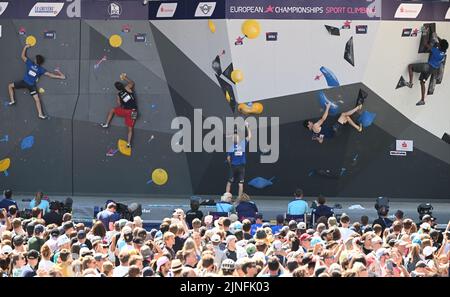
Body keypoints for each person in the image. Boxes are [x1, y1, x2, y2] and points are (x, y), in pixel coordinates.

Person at [8, 44, 66, 119]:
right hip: (31, 86)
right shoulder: (41, 69)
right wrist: (61, 76)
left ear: (35, 60)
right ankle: (40, 114)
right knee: (37, 100)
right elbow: (50, 75)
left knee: (10, 86)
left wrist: (25, 47)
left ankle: (12, 100)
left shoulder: (30, 63)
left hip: (24, 82)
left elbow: (22, 56)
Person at [407, 34, 448, 106]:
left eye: (439, 43)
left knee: (410, 67)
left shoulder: (436, 51)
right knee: (422, 82)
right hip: (432, 70)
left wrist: (425, 33)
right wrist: (436, 35)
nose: (438, 42)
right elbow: (441, 42)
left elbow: (425, 44)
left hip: (427, 67)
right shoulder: (443, 53)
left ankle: (410, 83)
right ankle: (422, 100)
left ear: (440, 46)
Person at [100, 73, 138, 148]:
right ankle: (128, 144)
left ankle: (106, 124)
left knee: (112, 110)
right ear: (122, 85)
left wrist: (121, 99)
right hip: (134, 112)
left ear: (117, 88)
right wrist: (125, 77)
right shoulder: (127, 88)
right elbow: (132, 83)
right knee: (130, 129)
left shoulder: (118, 95)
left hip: (126, 112)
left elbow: (119, 105)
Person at [225, 122, 252, 198]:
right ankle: (239, 199)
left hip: (234, 167)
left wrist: (230, 164)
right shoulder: (242, 144)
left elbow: (228, 158)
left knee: (229, 182)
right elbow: (249, 136)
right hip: (241, 167)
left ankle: (226, 198)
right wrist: (247, 126)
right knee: (240, 184)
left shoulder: (231, 147)